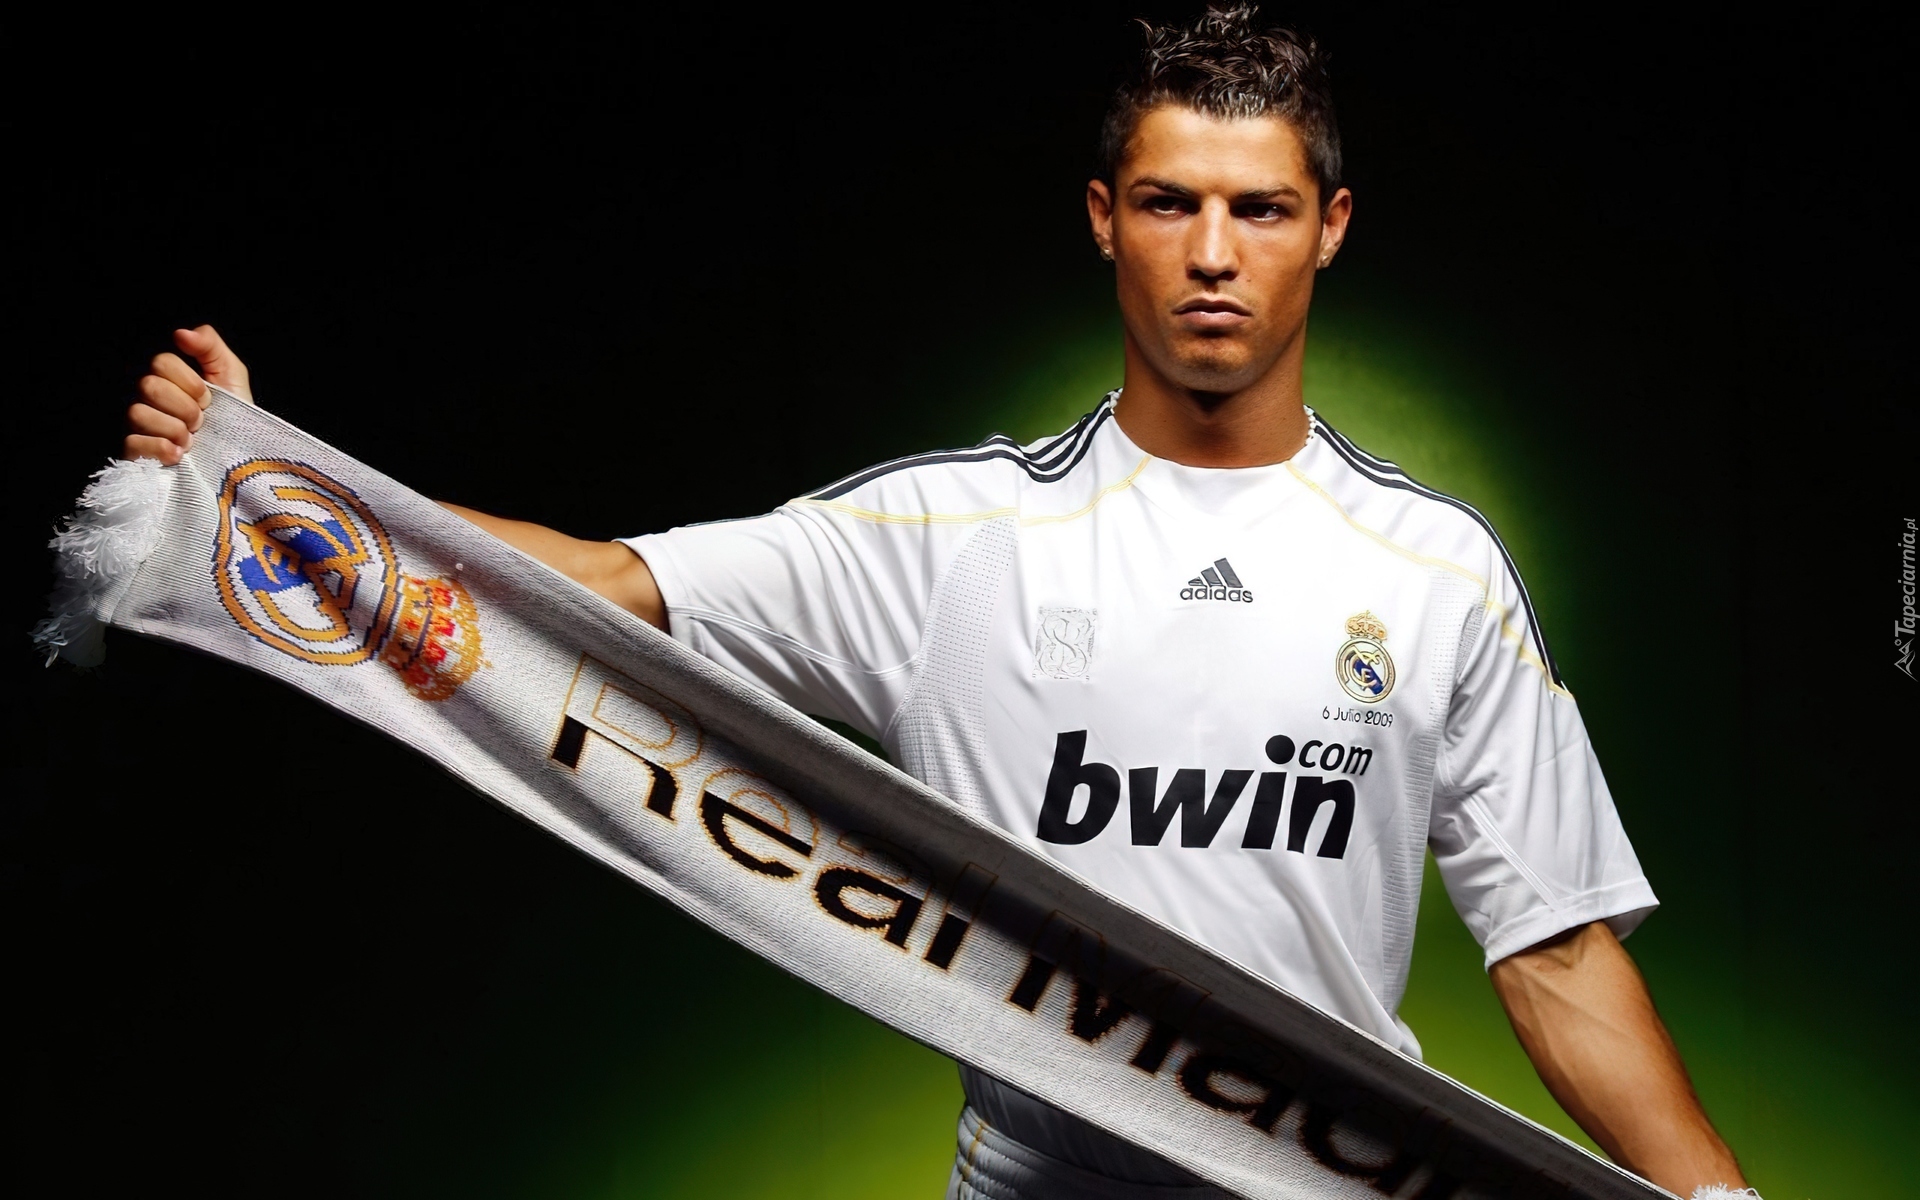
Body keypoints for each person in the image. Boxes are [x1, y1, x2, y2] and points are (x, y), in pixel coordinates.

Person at [122, 6, 1747, 1197]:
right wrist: (277, 481)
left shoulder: (1435, 568)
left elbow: (1555, 951)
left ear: (1327, 231)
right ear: (1104, 220)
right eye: (1169, 202)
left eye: (1258, 209)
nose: (1213, 254)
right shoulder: (948, 532)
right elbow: (608, 587)